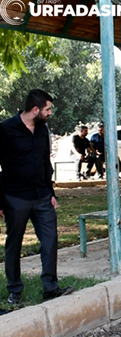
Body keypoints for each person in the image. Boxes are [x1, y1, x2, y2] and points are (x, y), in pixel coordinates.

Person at [0, 89, 74, 304]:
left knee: (50, 240)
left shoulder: (43, 130)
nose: (50, 112)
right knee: (14, 243)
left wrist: (50, 193)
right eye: (47, 109)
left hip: (42, 196)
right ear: (35, 110)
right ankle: (15, 290)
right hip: (15, 197)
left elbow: (45, 163)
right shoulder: (5, 129)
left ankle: (50, 287)